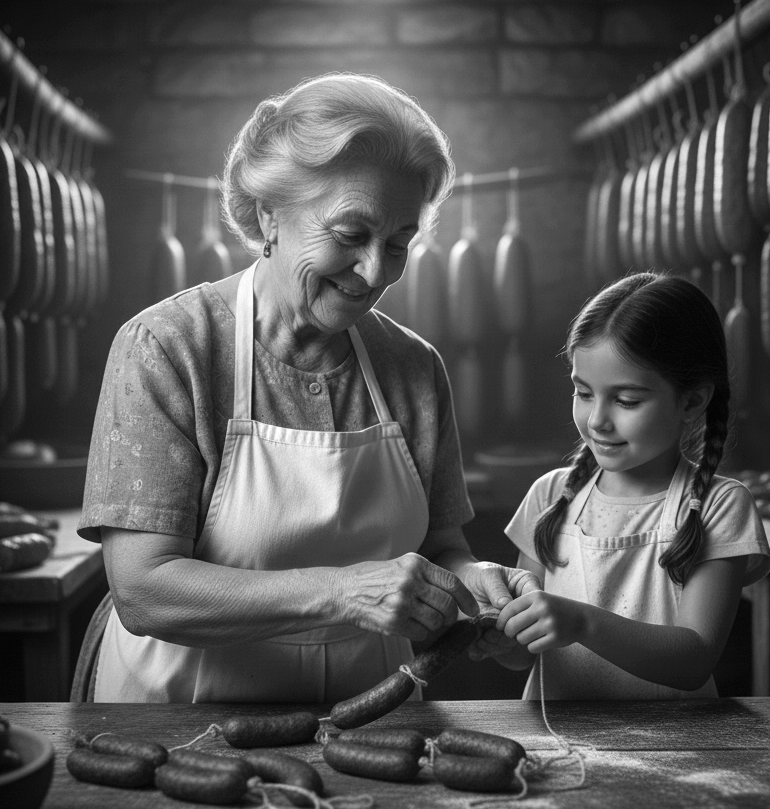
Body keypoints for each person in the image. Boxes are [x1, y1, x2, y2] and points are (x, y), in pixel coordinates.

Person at [78, 72, 539, 703]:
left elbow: (440, 547)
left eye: (399, 244)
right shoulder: (168, 347)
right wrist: (342, 592)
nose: (374, 272)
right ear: (270, 214)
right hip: (180, 718)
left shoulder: (413, 366)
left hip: (373, 721)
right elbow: (143, 591)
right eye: (350, 235)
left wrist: (477, 586)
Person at [474, 272, 770, 700]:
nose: (597, 420)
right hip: (558, 734)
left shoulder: (719, 506)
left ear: (692, 401)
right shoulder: (550, 496)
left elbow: (695, 660)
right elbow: (525, 654)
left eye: (626, 400)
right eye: (583, 393)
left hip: (680, 739)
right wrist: (505, 639)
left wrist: (582, 622)